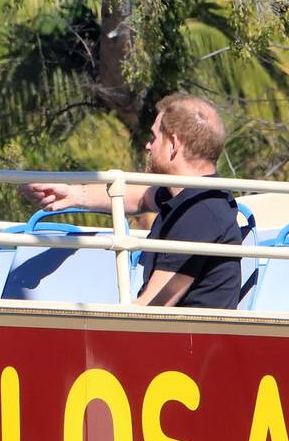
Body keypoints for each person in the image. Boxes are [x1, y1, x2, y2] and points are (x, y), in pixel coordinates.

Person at [22, 93, 241, 309]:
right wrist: (74, 194)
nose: (148, 146)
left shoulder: (200, 212)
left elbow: (154, 306)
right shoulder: (193, 196)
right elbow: (139, 197)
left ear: (173, 144)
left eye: (154, 138)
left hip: (183, 342)